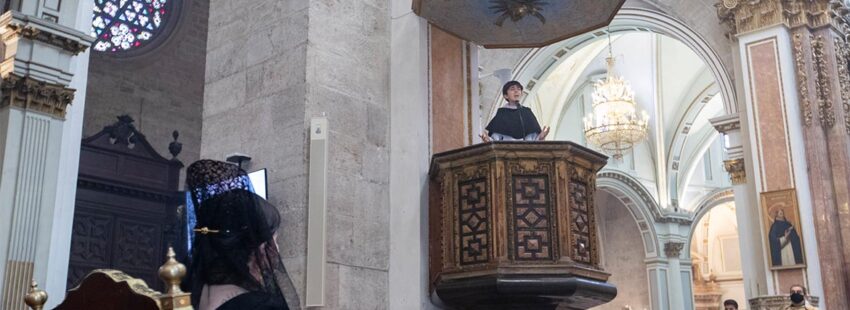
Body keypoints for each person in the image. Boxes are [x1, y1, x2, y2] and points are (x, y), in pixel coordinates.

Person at [185, 159, 300, 310]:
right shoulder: (261, 306)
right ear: (258, 246)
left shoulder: (191, 294)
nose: (276, 248)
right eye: (274, 239)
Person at [480, 80, 550, 142]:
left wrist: (540, 138)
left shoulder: (527, 112)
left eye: (519, 89)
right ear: (506, 96)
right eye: (512, 89)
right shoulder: (502, 113)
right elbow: (495, 140)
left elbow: (534, 139)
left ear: (521, 94)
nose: (516, 91)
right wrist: (488, 140)